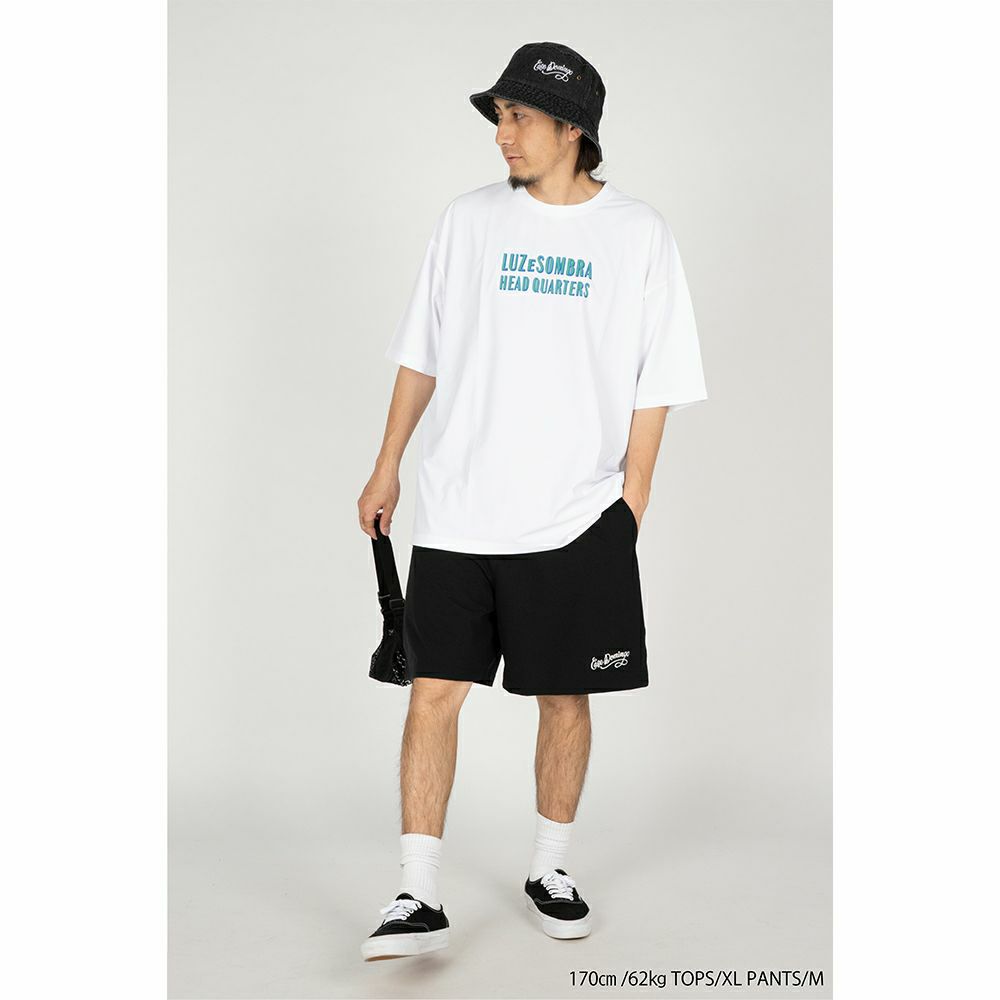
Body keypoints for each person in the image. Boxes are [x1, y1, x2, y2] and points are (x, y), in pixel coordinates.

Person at [358, 41, 708, 962]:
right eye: (499, 117)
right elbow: (422, 353)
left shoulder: (638, 234)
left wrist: (631, 503)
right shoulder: (467, 221)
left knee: (564, 697)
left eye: (518, 116)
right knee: (433, 693)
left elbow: (658, 380)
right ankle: (416, 892)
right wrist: (388, 464)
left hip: (575, 518)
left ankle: (550, 869)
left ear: (573, 127)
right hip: (459, 509)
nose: (502, 134)